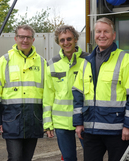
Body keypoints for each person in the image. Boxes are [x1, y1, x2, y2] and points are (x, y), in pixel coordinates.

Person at [72, 17, 129, 161]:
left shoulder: (128, 61)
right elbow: (78, 94)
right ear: (94, 35)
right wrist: (79, 122)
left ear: (113, 35)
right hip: (91, 130)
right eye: (98, 31)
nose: (102, 35)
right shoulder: (86, 63)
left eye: (106, 31)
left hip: (118, 131)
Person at [0, 25, 46, 161]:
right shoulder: (4, 61)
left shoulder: (42, 63)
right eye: (21, 37)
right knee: (15, 157)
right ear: (15, 38)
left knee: (27, 158)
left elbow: (48, 94)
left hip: (34, 119)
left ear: (33, 39)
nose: (24, 40)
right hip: (12, 119)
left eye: (28, 37)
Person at [43, 25, 88, 161]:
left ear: (75, 39)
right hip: (61, 122)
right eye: (62, 40)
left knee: (92, 156)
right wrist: (47, 123)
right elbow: (48, 95)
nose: (66, 43)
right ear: (58, 42)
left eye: (69, 39)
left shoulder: (88, 60)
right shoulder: (51, 64)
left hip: (85, 119)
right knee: (68, 158)